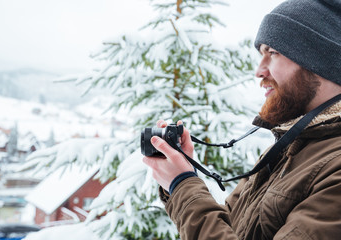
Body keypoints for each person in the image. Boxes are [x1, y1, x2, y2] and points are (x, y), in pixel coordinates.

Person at [142, 0, 341, 239]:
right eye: (261, 54)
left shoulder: (334, 167)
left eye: (273, 53)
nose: (259, 70)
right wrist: (179, 178)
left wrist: (182, 184)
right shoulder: (286, 151)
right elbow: (230, 227)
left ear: (319, 61)